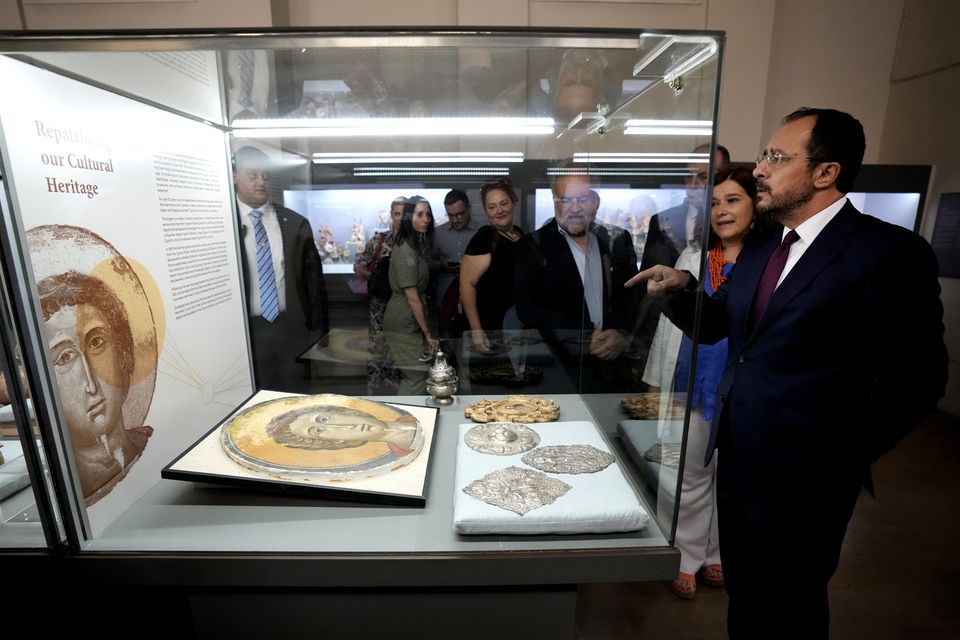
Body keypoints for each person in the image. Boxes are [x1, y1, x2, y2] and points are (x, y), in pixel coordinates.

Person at [627, 108, 947, 638]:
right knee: (748, 600)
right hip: (738, 460)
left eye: (777, 157)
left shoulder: (885, 252)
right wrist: (679, 290)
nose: (760, 169)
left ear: (826, 173)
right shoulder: (763, 250)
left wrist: (843, 456)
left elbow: (920, 378)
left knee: (792, 607)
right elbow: (717, 328)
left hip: (809, 480)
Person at [643, 166, 764, 599]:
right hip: (696, 379)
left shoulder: (769, 261)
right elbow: (673, 331)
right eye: (714, 202)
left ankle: (716, 552)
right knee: (692, 473)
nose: (721, 211)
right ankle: (689, 554)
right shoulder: (699, 259)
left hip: (747, 389)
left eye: (733, 200)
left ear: (757, 203)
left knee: (733, 480)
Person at [38, 271, 153, 506]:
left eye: (96, 342)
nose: (91, 384)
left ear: (124, 355)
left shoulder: (155, 446)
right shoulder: (70, 490)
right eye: (65, 357)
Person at [515, 174, 638, 392]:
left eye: (581, 199)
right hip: (557, 368)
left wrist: (621, 333)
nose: (575, 208)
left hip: (608, 365)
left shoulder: (609, 241)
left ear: (593, 201)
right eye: (566, 200)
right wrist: (579, 338)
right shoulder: (532, 245)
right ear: (555, 201)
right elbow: (527, 310)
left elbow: (627, 296)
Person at [233, 145, 329, 394]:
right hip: (246, 333)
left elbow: (314, 284)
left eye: (265, 176)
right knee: (253, 400)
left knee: (294, 398)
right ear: (235, 176)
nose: (260, 183)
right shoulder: (221, 222)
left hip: (291, 330)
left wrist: (319, 333)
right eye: (252, 176)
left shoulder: (295, 223)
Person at [382, 196, 438, 394]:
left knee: (417, 374)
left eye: (428, 214)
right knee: (415, 375)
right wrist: (428, 334)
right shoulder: (405, 249)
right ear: (408, 217)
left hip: (408, 317)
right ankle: (407, 421)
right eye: (420, 214)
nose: (426, 219)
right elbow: (413, 298)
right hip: (403, 317)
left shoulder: (413, 245)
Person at [460, 178, 523, 351]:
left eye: (504, 203)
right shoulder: (485, 237)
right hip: (490, 325)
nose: (499, 211)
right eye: (492, 207)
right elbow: (467, 285)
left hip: (514, 323)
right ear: (486, 211)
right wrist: (477, 331)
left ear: (513, 202)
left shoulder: (518, 233)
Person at [354, 196, 404, 395]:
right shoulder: (379, 239)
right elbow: (359, 264)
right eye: (396, 213)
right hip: (380, 303)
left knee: (400, 344)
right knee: (376, 346)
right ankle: (372, 393)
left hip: (404, 304)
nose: (400, 218)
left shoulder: (415, 241)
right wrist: (376, 278)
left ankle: (399, 391)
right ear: (391, 215)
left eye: (403, 214)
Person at [433, 189, 484, 339]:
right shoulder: (437, 233)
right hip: (445, 299)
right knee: (448, 346)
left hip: (476, 300)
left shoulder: (482, 232)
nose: (455, 220)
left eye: (460, 214)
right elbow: (426, 262)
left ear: (469, 208)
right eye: (451, 216)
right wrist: (441, 265)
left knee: (474, 344)